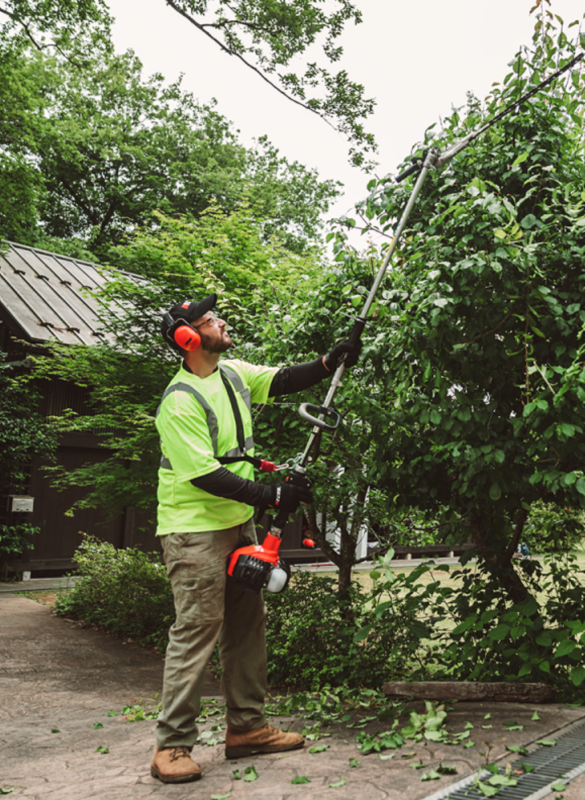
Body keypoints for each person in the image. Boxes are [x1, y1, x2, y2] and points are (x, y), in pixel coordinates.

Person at [150, 293, 360, 784]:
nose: (221, 321)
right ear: (187, 337)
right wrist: (271, 495)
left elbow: (282, 380)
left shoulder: (232, 374)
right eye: (210, 319)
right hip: (194, 532)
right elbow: (204, 474)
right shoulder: (179, 401)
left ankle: (247, 729)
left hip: (237, 525)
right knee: (196, 630)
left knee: (247, 627)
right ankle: (172, 746)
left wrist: (330, 361)